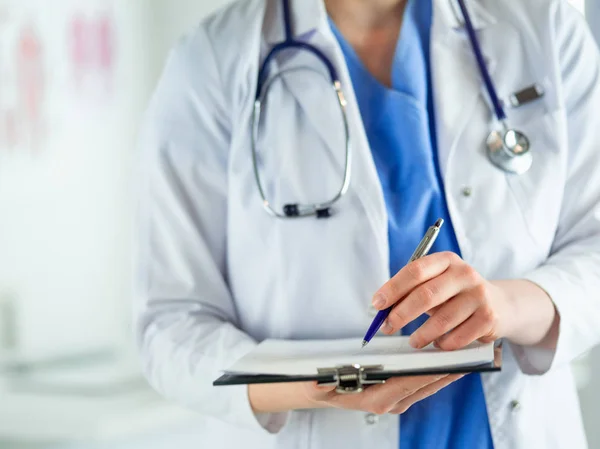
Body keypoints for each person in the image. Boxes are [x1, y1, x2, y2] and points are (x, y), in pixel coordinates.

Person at [132, 0, 600, 448]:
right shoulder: (211, 60)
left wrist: (507, 306)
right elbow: (171, 323)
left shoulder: (545, 29)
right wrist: (312, 385)